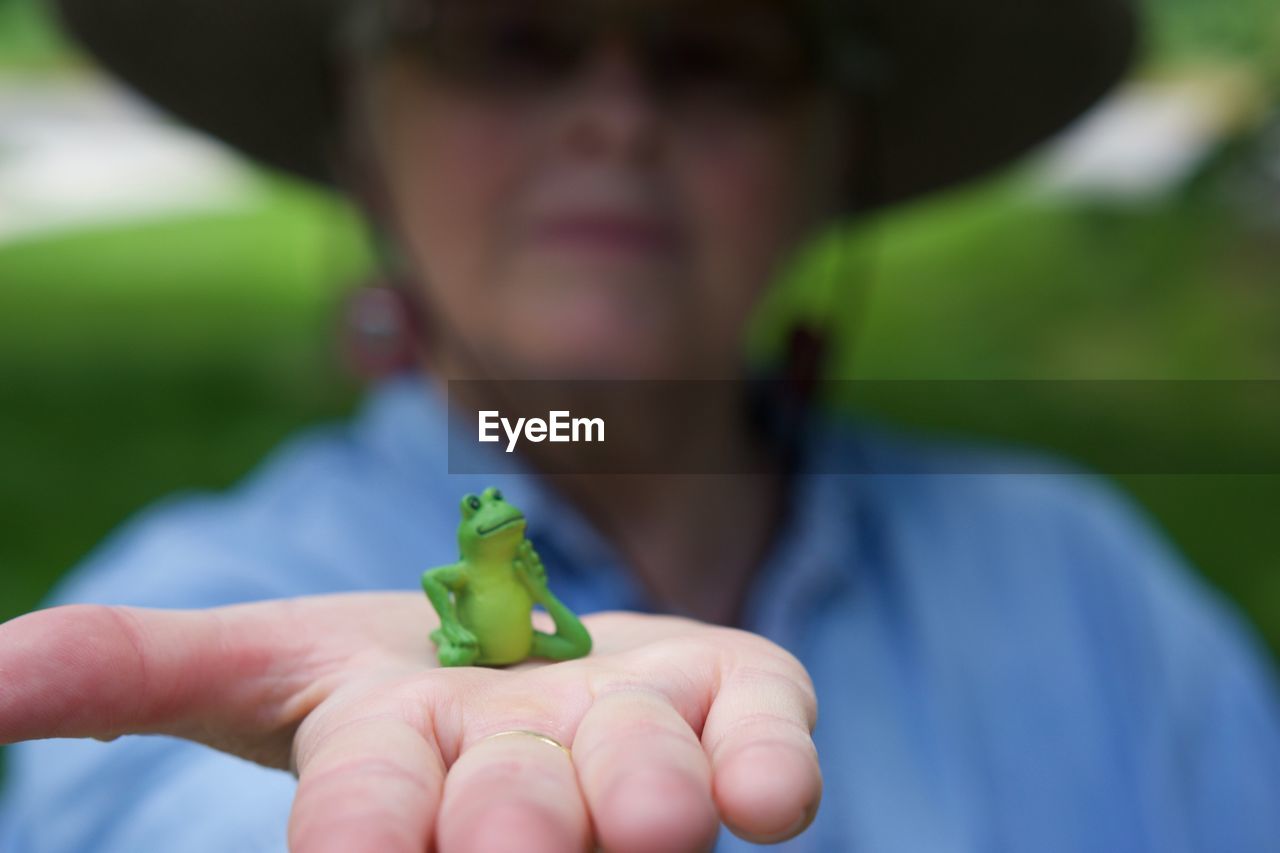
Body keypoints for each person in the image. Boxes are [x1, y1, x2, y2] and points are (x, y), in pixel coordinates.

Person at [2, 0, 1278, 851]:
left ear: (836, 144)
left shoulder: (1080, 582)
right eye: (505, 36)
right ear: (363, 126)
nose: (615, 115)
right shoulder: (191, 617)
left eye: (717, 52)